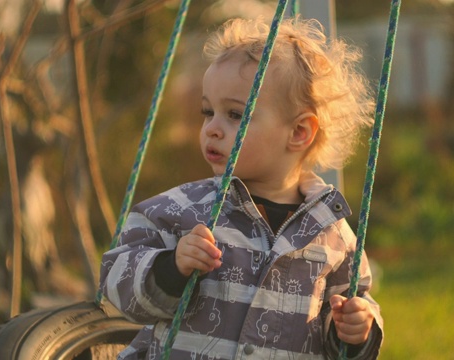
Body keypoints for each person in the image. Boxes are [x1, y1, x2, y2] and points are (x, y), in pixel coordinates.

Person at [99, 17, 383, 359]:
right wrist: (170, 268)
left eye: (235, 115)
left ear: (298, 133)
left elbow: (355, 306)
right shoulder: (182, 210)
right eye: (208, 112)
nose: (212, 129)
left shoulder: (333, 236)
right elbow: (116, 281)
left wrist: (356, 329)